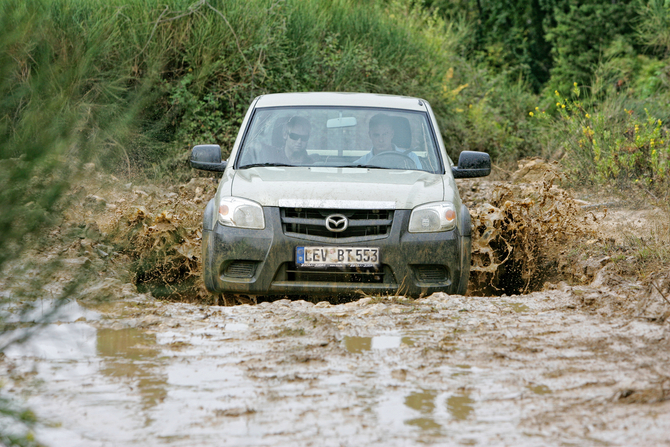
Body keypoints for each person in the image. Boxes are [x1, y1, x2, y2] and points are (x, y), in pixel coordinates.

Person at [355, 113, 421, 169]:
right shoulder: (360, 165)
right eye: (376, 135)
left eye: (385, 134)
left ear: (392, 134)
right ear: (370, 135)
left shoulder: (411, 159)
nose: (381, 140)